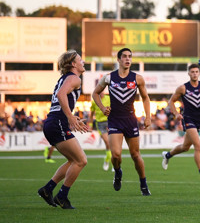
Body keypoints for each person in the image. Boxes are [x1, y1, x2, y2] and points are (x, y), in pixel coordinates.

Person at [92, 48, 152, 196]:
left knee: (135, 155)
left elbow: (145, 97)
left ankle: (143, 184)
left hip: (131, 120)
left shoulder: (137, 78)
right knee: (116, 155)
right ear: (118, 60)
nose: (128, 59)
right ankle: (118, 172)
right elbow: (95, 93)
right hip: (114, 120)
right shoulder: (108, 78)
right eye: (124, 56)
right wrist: (102, 107)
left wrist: (148, 116)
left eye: (130, 57)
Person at [37, 50, 90, 209]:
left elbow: (59, 99)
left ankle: (48, 190)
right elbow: (61, 95)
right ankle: (62, 196)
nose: (83, 62)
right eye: (80, 60)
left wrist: (71, 117)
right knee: (81, 160)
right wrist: (69, 116)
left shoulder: (66, 78)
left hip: (53, 122)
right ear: (73, 64)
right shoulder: (74, 79)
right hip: (57, 122)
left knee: (73, 161)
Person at [161, 64, 200, 184]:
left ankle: (167, 155)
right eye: (192, 72)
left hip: (198, 119)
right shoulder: (183, 88)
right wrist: (176, 114)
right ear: (189, 74)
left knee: (185, 147)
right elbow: (171, 101)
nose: (195, 74)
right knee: (198, 146)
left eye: (196, 72)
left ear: (199, 73)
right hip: (188, 118)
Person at [88, 89, 112, 171]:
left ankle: (111, 161)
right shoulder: (95, 101)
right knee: (107, 142)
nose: (101, 92)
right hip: (100, 123)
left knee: (113, 143)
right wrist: (90, 124)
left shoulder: (108, 98)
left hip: (109, 121)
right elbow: (91, 113)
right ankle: (107, 160)